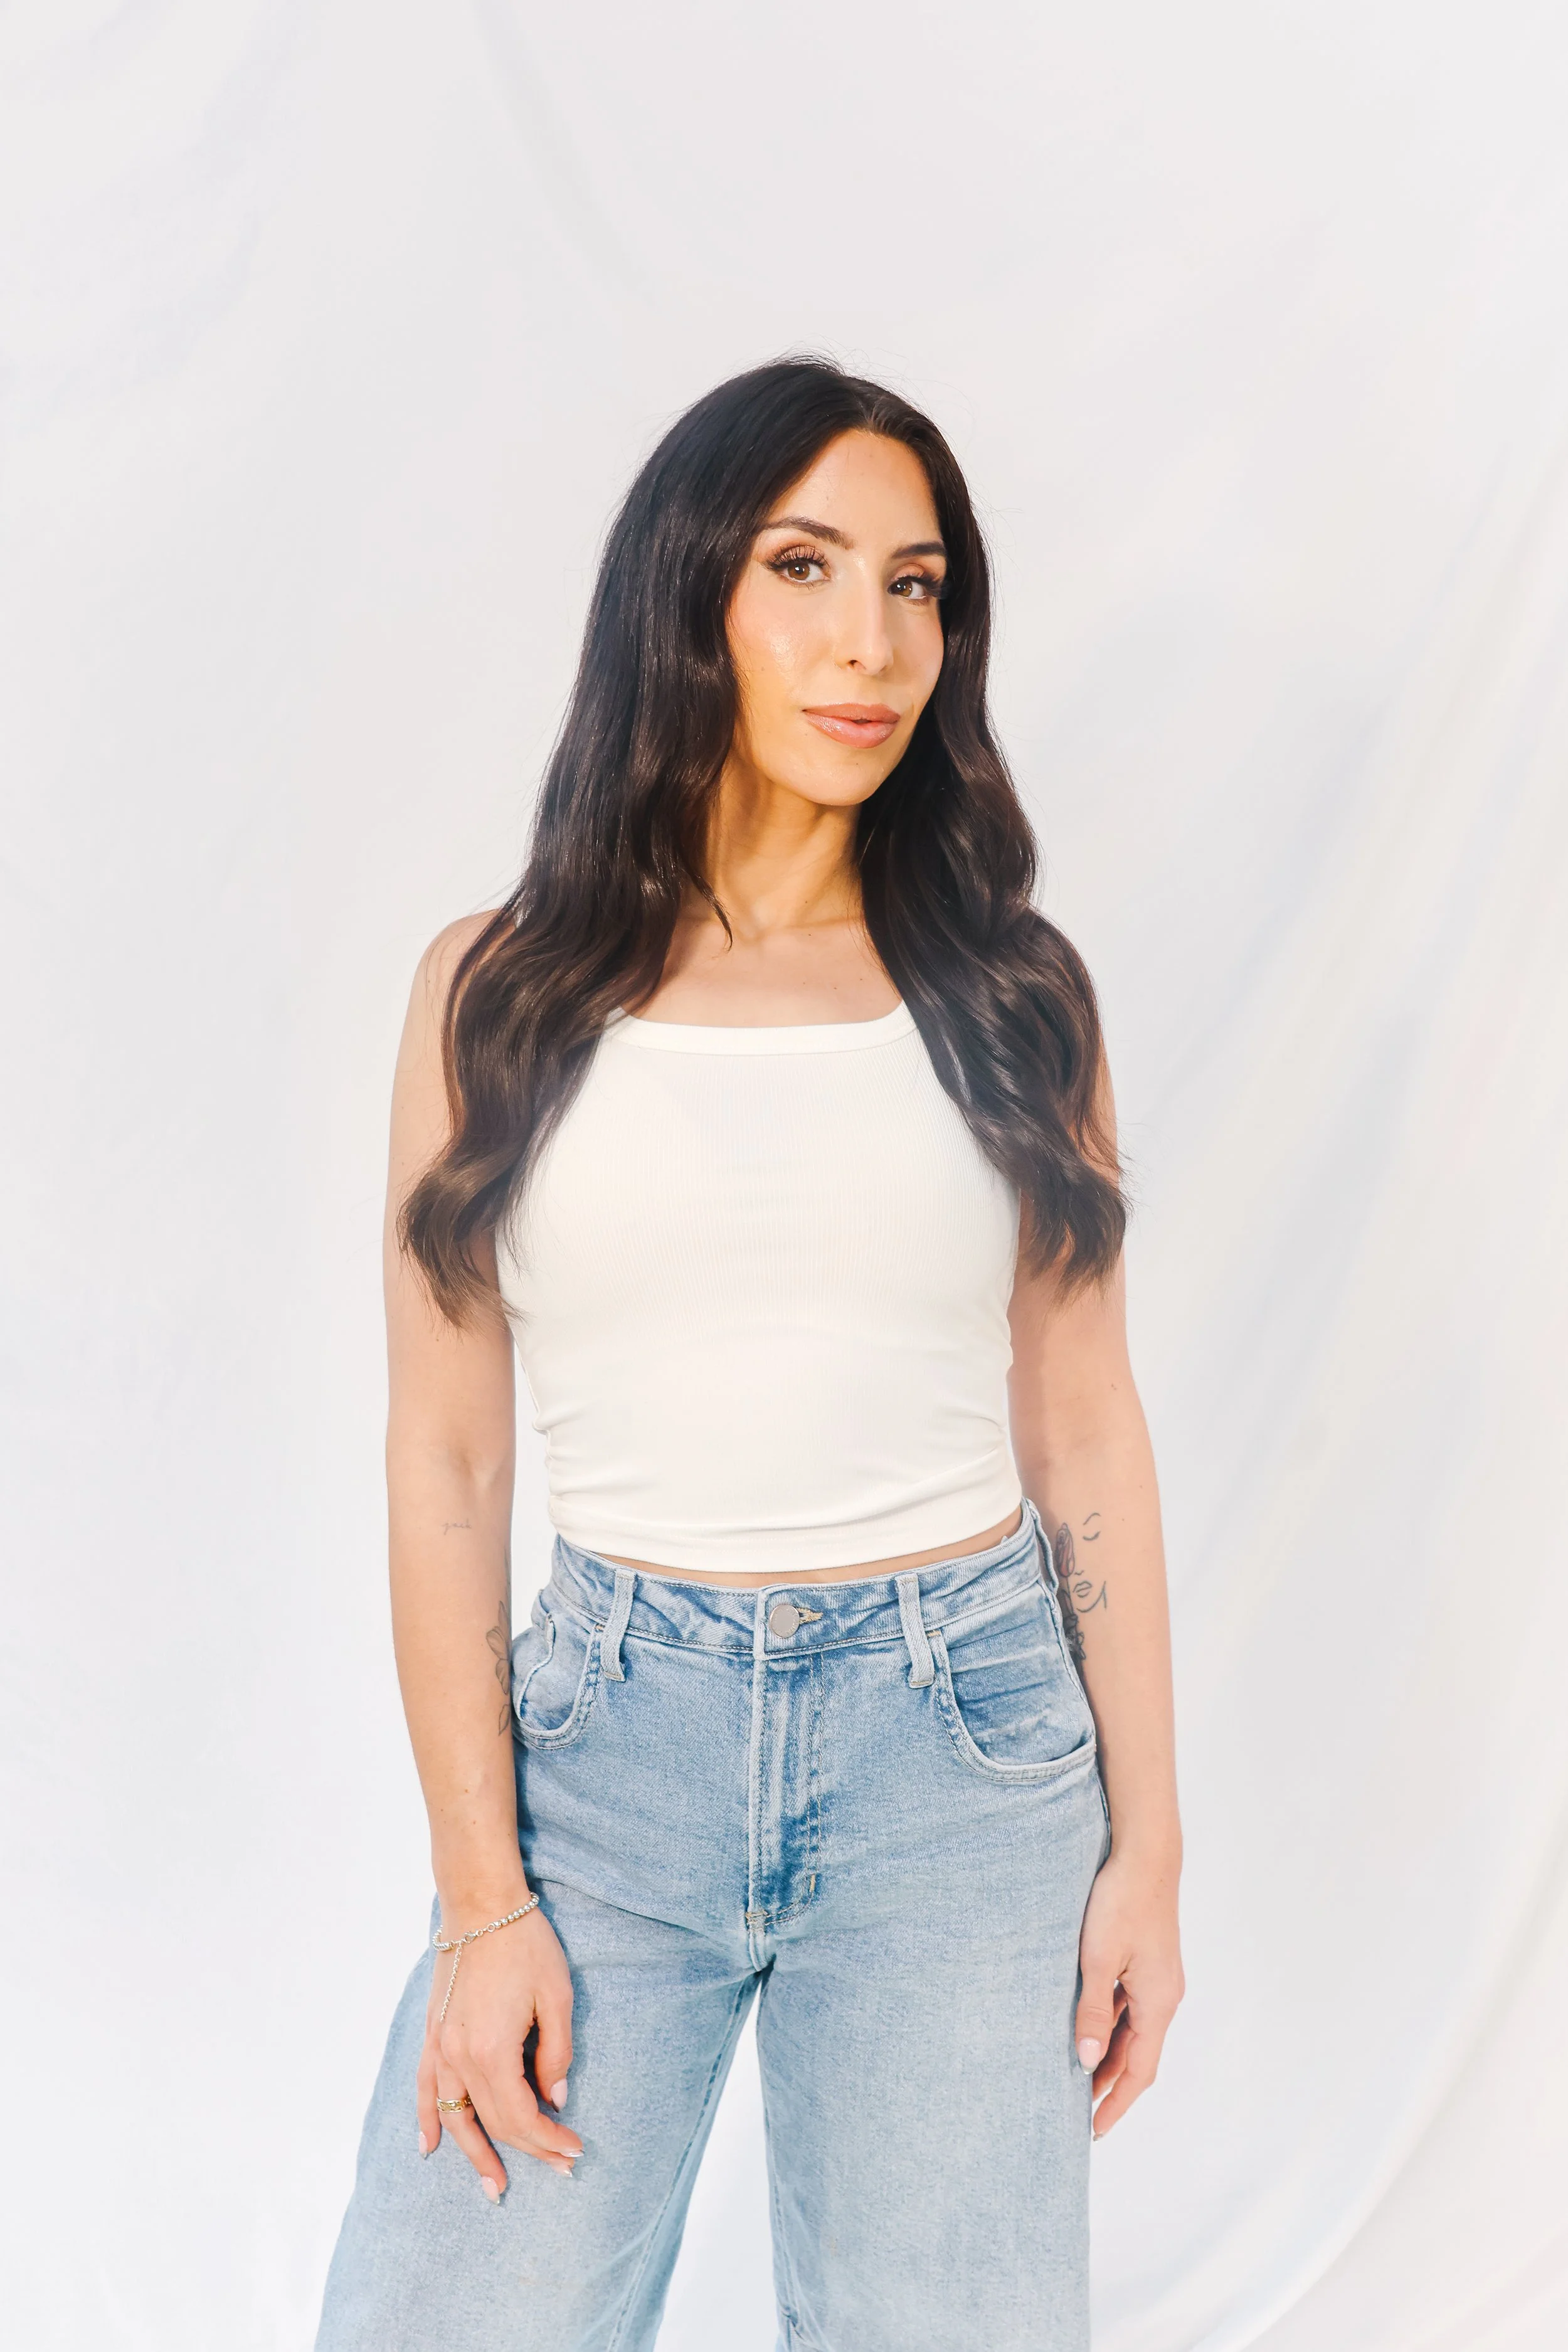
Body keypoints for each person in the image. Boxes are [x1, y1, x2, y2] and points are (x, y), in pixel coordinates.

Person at [315, 358, 1184, 2352]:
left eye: (918, 582)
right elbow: (444, 1462)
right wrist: (482, 1896)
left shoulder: (1012, 996)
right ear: (690, 593)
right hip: (609, 1753)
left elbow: (1085, 1432)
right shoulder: (500, 990)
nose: (869, 640)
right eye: (804, 567)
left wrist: (1150, 1848)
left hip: (962, 1758)